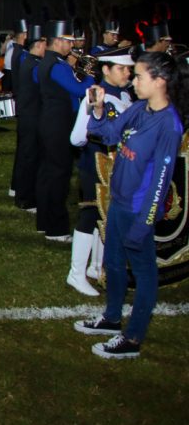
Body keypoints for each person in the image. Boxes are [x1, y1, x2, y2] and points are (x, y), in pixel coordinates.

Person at [74, 51, 187, 358]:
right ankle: (111, 318)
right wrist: (97, 109)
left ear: (160, 81)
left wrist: (145, 221)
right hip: (119, 202)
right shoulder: (140, 109)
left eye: (139, 76)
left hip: (139, 210)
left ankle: (133, 338)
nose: (134, 81)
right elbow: (107, 133)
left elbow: (161, 180)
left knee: (144, 272)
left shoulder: (169, 125)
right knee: (113, 264)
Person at [66, 50, 134, 295]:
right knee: (89, 214)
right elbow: (76, 138)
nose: (127, 72)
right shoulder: (95, 96)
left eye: (128, 68)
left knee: (104, 216)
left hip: (116, 166)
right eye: (121, 68)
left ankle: (96, 267)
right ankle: (76, 273)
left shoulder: (124, 94)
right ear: (106, 70)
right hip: (94, 164)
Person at [36, 20, 93, 242]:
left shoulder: (47, 62)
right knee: (59, 175)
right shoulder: (57, 65)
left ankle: (45, 222)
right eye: (69, 42)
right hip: (58, 124)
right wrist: (89, 74)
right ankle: (57, 229)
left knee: (48, 174)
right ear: (58, 41)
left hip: (49, 121)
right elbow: (79, 89)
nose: (72, 46)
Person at [10, 25, 45, 212]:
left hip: (27, 113)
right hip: (31, 115)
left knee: (26, 155)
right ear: (38, 45)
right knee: (29, 157)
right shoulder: (33, 64)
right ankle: (25, 198)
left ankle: (20, 193)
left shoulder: (28, 61)